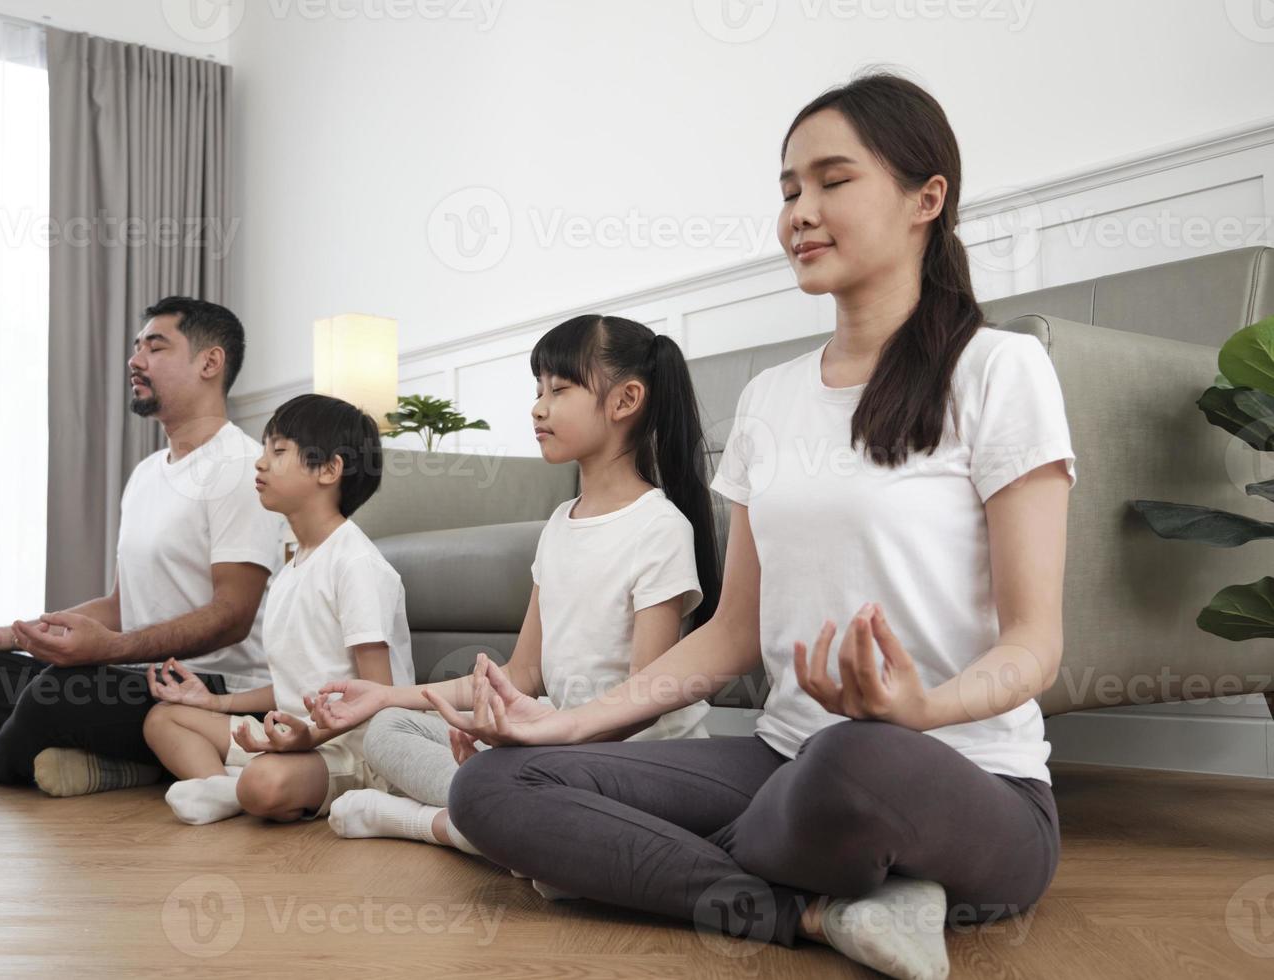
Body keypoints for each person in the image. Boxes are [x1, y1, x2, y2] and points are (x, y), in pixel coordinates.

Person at [435, 71, 1075, 980]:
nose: (799, 213)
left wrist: (922, 710)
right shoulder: (771, 400)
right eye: (787, 190)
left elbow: (1034, 645)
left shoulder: (1000, 370)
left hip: (961, 781)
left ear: (925, 199)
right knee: (494, 784)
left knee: (854, 762)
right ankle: (812, 913)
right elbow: (730, 637)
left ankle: (647, 864)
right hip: (782, 762)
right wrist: (566, 728)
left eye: (831, 180)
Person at [306, 315, 722, 880]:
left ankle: (434, 822)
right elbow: (523, 674)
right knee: (390, 731)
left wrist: (538, 744)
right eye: (537, 390)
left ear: (626, 400)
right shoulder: (558, 525)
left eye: (559, 389)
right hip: (556, 735)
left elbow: (645, 701)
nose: (538, 407)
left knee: (533, 805)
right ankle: (495, 814)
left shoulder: (660, 528)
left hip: (635, 756)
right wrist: (384, 697)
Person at [0, 298, 283, 797]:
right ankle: (122, 764)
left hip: (211, 690)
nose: (136, 359)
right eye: (136, 347)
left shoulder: (240, 469)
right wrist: (4, 635)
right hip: (136, 678)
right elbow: (120, 606)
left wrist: (114, 650)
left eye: (156, 346)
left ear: (210, 363)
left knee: (55, 692)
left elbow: (233, 615)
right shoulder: (147, 475)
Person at [142, 393, 416, 826]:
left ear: (329, 469)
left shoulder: (356, 564)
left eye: (279, 450)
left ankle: (241, 787)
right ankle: (227, 787)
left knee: (266, 782)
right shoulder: (290, 569)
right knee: (165, 718)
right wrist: (214, 701)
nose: (260, 462)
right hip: (294, 737)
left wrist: (309, 736)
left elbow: (378, 697)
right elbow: (291, 686)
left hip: (354, 751)